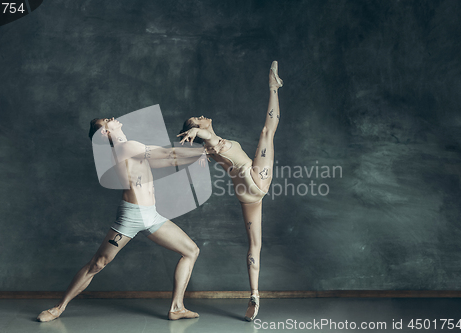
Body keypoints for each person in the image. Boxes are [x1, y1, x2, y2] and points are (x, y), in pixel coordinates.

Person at [37, 117, 206, 322]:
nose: (112, 119)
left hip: (151, 215)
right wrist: (204, 150)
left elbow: (170, 161)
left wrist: (199, 153)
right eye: (106, 121)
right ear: (103, 133)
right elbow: (168, 154)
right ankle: (58, 308)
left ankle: (177, 308)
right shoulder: (125, 147)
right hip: (132, 215)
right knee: (98, 263)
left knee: (191, 251)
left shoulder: (130, 148)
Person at [178, 61, 283, 321]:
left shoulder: (212, 147)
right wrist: (194, 130)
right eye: (197, 120)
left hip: (246, 195)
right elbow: (208, 139)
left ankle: (255, 294)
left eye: (199, 120)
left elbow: (207, 142)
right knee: (266, 132)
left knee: (255, 245)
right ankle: (274, 87)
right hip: (255, 179)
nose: (201, 117)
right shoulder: (214, 143)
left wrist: (197, 134)